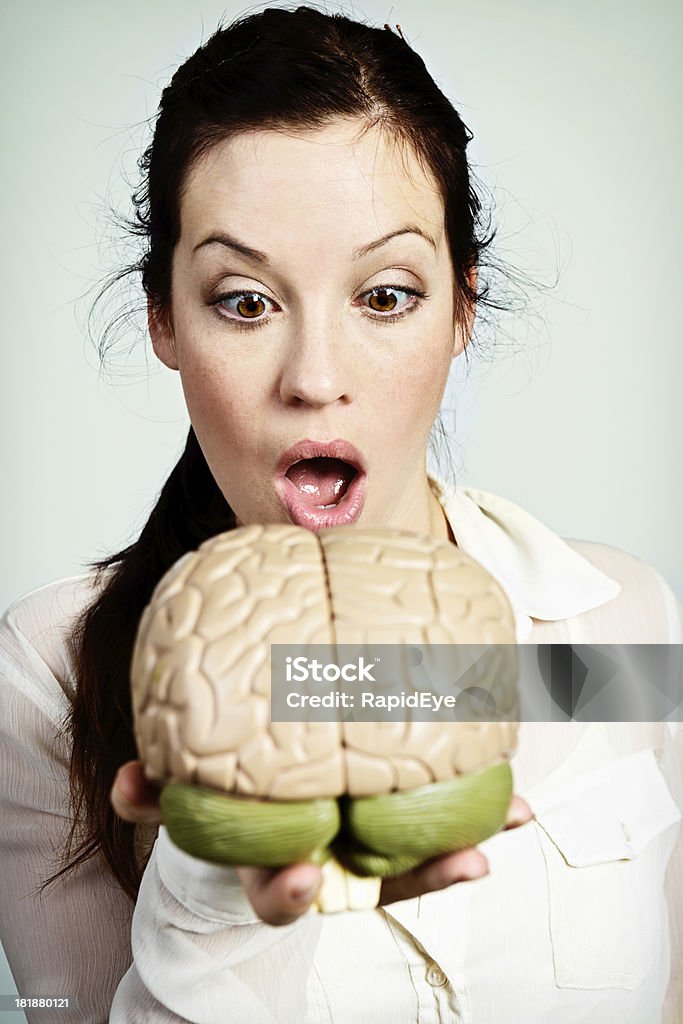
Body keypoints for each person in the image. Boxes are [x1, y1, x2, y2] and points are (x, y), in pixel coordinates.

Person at [0, 6, 681, 1023]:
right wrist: (218, 887)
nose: (315, 378)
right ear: (162, 323)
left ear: (461, 309)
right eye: (242, 300)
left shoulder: (610, 623)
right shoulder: (52, 674)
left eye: (385, 295)